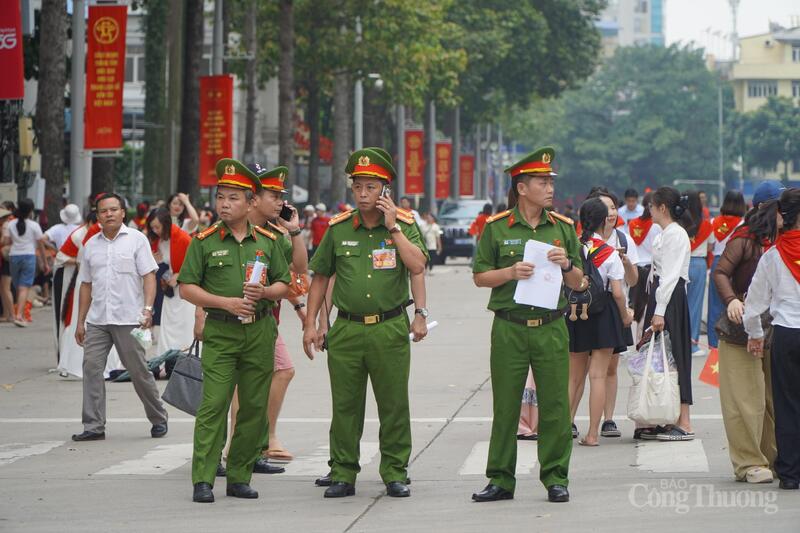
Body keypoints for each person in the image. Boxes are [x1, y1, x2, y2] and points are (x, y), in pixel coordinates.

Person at [303, 147, 429, 499]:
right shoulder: (338, 228)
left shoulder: (403, 225)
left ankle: (394, 471)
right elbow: (320, 277)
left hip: (389, 327)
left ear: (384, 190)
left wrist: (394, 229)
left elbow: (417, 266)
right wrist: (311, 324)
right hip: (346, 329)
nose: (362, 195)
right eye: (358, 187)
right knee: (345, 406)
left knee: (393, 405)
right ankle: (343, 472)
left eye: (370, 188)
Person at [471, 147, 585, 504]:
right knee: (505, 406)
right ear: (522, 188)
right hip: (510, 327)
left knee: (555, 406)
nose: (550, 188)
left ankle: (555, 477)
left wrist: (567, 265)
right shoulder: (496, 227)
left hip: (551, 326)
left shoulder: (564, 228)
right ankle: (501, 479)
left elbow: (580, 282)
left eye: (550, 181)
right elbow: (479, 277)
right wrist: (509, 272)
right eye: (542, 182)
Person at [178, 159, 290, 503]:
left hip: (259, 331)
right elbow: (186, 287)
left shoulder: (270, 241)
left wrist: (266, 293)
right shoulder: (204, 241)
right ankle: (203, 478)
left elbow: (285, 283)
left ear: (251, 202)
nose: (224, 204)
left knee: (254, 407)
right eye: (220, 197)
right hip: (222, 332)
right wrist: (224, 303)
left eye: (232, 198)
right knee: (214, 405)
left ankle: (240, 476)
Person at [222, 163, 309, 473]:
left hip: (264, 321)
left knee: (269, 376)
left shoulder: (275, 235)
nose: (281, 203)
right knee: (236, 386)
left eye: (280, 196)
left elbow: (296, 269)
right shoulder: (230, 230)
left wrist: (295, 230)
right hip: (229, 320)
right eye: (274, 195)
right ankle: (242, 446)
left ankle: (256, 443)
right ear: (254, 199)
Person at [71, 192, 168, 442]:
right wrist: (80, 321)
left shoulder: (137, 240)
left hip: (129, 319)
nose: (109, 214)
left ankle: (158, 417)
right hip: (97, 320)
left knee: (139, 372)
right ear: (98, 215)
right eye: (104, 211)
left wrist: (148, 310)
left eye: (114, 209)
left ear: (123, 213)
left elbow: (149, 276)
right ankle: (93, 425)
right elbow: (85, 285)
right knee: (91, 369)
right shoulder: (91, 245)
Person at [713, 196, 781, 484]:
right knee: (744, 398)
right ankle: (748, 462)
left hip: (779, 325)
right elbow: (720, 272)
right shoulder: (744, 239)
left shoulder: (787, 243)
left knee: (774, 398)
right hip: (742, 326)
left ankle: (777, 458)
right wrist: (731, 300)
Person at [744, 187, 800, 491]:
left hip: (787, 335)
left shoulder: (773, 255)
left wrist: (754, 334)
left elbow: (753, 305)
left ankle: (791, 473)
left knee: (787, 405)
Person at [568, 198, 632, 447]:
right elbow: (617, 292)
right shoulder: (609, 253)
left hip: (576, 314)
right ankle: (593, 434)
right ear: (604, 220)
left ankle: (564, 429)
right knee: (597, 376)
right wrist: (625, 316)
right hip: (604, 315)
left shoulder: (573, 249)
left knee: (573, 378)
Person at [582, 189, 639, 439]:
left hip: (609, 312)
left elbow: (633, 281)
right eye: (607, 209)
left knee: (609, 368)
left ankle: (608, 420)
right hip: (594, 311)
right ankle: (581, 425)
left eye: (614, 208)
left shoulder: (624, 240)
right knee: (584, 370)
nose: (612, 213)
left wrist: (625, 262)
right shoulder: (584, 243)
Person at [641, 187, 694, 441]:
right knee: (662, 359)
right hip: (662, 296)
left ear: (662, 208)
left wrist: (660, 311)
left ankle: (684, 421)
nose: (649, 210)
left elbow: (671, 276)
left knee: (676, 356)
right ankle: (667, 416)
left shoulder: (676, 234)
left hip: (670, 299)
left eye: (652, 206)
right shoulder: (664, 233)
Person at [146, 208, 195, 351]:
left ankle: (185, 363)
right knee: (167, 326)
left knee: (184, 326)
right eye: (152, 227)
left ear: (166, 224)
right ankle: (164, 363)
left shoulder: (183, 238)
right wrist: (153, 260)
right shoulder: (157, 240)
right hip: (168, 290)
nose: (155, 230)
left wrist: (180, 275)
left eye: (157, 227)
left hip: (184, 291)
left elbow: (196, 264)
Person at [706, 191, 746, 350]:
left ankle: (712, 343)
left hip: (717, 262)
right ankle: (729, 340)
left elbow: (710, 246)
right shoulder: (742, 224)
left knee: (714, 304)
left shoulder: (713, 221)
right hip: (734, 265)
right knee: (732, 302)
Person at [1, 198, 48, 327]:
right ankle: (19, 315)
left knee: (17, 286)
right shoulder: (34, 225)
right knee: (24, 287)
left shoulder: (10, 224)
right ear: (31, 210)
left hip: (13, 256)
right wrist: (45, 262)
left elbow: (5, 242)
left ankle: (18, 313)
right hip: (29, 256)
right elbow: (41, 245)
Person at [682, 191, 713, 357]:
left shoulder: (678, 224)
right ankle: (692, 344)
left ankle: (677, 341)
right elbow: (711, 246)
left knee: (679, 303)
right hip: (699, 264)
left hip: (681, 263)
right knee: (695, 305)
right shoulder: (707, 224)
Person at [0, 205, 15, 322]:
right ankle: (6, 314)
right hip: (8, 258)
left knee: (5, 288)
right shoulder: (11, 222)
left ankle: (12, 314)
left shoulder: (5, 225)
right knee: (3, 288)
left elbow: (3, 241)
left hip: (6, 259)